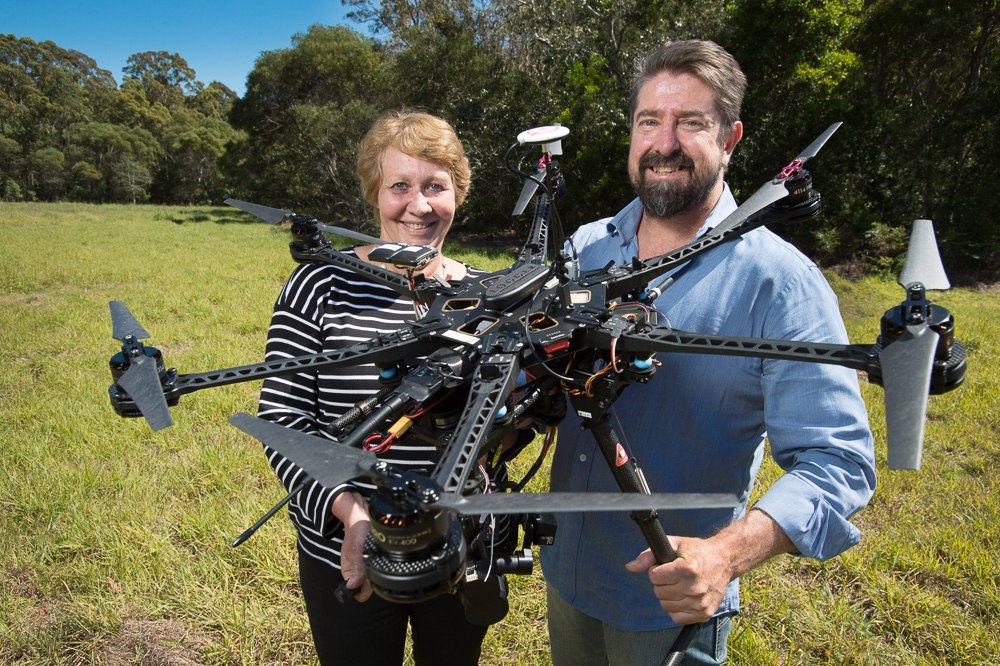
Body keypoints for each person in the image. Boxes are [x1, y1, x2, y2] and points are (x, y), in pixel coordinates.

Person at [540, 40, 876, 665]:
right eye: (649, 121)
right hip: (567, 574)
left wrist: (725, 555)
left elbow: (839, 462)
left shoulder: (781, 284)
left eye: (690, 122)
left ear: (730, 139)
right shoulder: (585, 251)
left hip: (670, 608)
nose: (663, 142)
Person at [256, 111, 490, 665]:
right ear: (374, 194)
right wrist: (348, 508)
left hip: (460, 545)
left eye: (436, 186)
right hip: (347, 550)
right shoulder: (320, 282)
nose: (420, 205)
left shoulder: (486, 294)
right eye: (400, 186)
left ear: (457, 192)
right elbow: (281, 417)